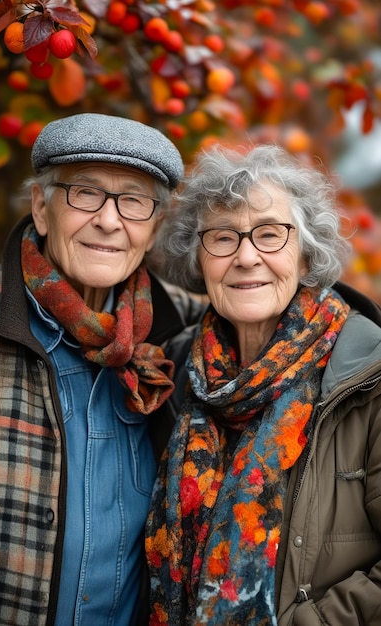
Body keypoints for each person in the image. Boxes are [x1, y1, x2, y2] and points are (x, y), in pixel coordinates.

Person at [0, 112, 204, 626]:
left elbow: (293, 315)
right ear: (41, 208)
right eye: (85, 193)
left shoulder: (183, 334)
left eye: (134, 201)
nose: (110, 221)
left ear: (154, 228)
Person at [146, 143, 381, 626]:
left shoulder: (369, 377)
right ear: (200, 258)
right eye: (223, 238)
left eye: (270, 235)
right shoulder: (172, 371)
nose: (246, 257)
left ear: (305, 254)